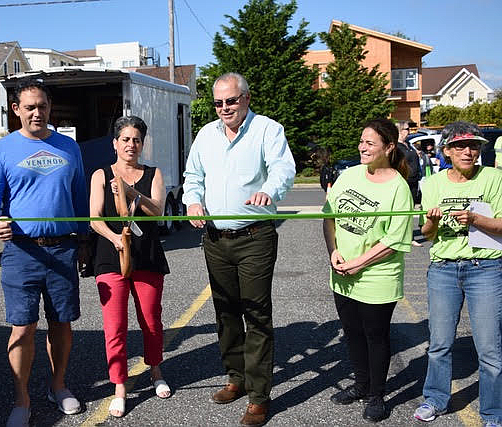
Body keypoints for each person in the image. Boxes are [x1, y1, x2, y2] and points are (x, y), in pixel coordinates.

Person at [183, 72, 295, 427]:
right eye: (218, 102)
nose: (224, 108)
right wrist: (192, 202)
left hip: (255, 237)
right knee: (225, 311)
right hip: (215, 239)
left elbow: (283, 169)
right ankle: (236, 377)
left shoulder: (267, 129)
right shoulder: (206, 135)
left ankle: (259, 397)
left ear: (246, 98)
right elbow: (193, 176)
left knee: (256, 313)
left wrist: (270, 191)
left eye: (231, 101)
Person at [0, 79, 89, 427]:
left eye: (42, 106)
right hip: (20, 252)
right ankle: (21, 398)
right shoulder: (2, 150)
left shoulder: (70, 148)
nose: (37, 112)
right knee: (22, 328)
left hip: (62, 250)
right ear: (16, 110)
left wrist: (84, 241)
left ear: (49, 107)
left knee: (61, 324)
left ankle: (58, 386)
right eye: (29, 107)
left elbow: (81, 199)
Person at [322, 118, 413, 423]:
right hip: (343, 272)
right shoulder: (349, 176)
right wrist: (333, 251)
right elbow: (329, 217)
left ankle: (377, 394)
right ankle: (360, 385)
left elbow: (395, 240)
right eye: (361, 141)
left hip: (376, 276)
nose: (362, 147)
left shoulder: (399, 188)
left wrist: (359, 263)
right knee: (352, 334)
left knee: (375, 336)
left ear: (389, 147)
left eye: (370, 143)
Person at [413, 121, 502, 426]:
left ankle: (493, 413)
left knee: (489, 348)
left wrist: (475, 219)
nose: (469, 151)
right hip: (443, 270)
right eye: (461, 146)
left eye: (474, 145)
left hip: (485, 269)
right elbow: (426, 232)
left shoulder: (493, 178)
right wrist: (433, 222)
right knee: (439, 343)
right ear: (447, 150)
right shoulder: (434, 184)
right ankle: (435, 400)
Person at [89, 116, 171, 417]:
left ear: (142, 143)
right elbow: (94, 217)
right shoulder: (100, 174)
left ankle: (156, 371)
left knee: (151, 320)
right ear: (115, 143)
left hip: (147, 256)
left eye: (136, 139)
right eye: (125, 139)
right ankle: (120, 386)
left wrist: (130, 190)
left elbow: (157, 210)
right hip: (111, 257)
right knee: (115, 327)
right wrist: (114, 238)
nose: (130, 145)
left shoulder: (153, 173)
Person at [396, 121, 423, 247]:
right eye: (407, 129)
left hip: (413, 181)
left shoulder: (408, 145)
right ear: (400, 131)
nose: (409, 131)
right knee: (402, 210)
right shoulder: (396, 147)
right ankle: (405, 237)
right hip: (403, 181)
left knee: (410, 210)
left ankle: (408, 236)